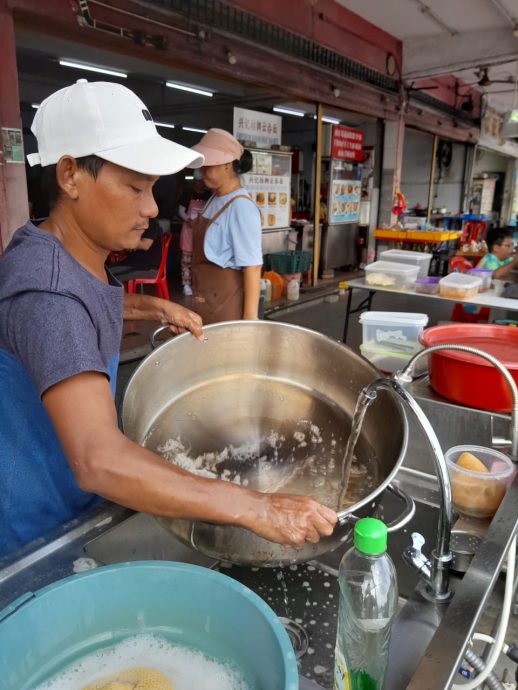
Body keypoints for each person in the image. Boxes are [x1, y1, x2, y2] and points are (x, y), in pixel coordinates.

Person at [0, 79, 337, 558]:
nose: (151, 207)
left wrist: (147, 305)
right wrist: (256, 507)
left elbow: (70, 311)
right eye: (135, 186)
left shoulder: (50, 250)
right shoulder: (48, 293)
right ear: (70, 175)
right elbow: (99, 459)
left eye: (153, 188)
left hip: (67, 505)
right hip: (34, 537)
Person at [189, 129, 262, 324]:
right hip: (205, 300)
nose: (202, 172)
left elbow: (253, 267)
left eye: (208, 166)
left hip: (226, 307)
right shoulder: (215, 198)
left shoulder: (241, 206)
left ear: (227, 165)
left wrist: (249, 321)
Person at [177, 170, 211, 296]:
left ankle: (198, 283)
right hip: (188, 231)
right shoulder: (187, 193)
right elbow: (180, 210)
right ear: (195, 181)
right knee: (187, 260)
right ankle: (186, 284)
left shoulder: (208, 195)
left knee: (200, 260)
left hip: (202, 232)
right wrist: (188, 220)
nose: (200, 183)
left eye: (202, 181)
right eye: (198, 181)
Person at [108, 217, 163, 282]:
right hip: (131, 263)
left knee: (108, 278)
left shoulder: (151, 222)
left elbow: (145, 245)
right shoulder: (134, 222)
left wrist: (125, 243)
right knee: (101, 272)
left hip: (146, 267)